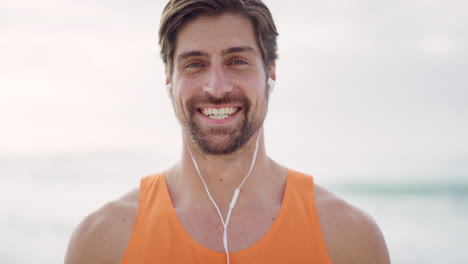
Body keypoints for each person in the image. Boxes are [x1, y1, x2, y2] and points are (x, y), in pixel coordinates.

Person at [65, 0, 390, 263]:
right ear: (169, 78)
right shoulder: (104, 241)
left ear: (270, 72)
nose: (216, 87)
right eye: (195, 64)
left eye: (237, 61)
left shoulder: (348, 237)